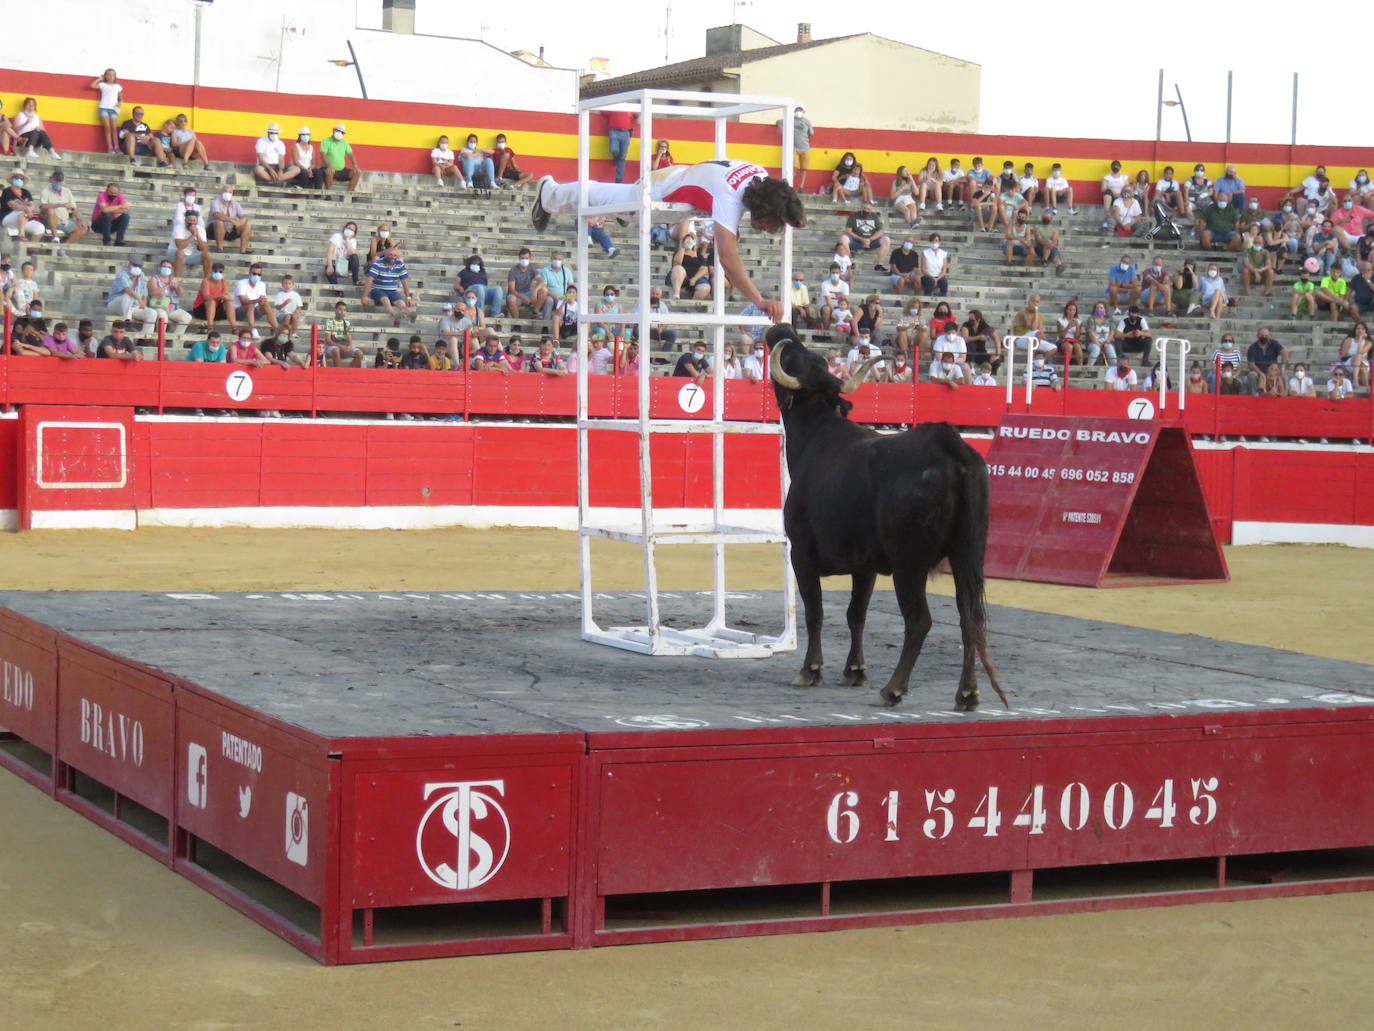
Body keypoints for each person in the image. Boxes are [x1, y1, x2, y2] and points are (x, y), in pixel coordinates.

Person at [363, 247, 417, 324]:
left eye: (395, 255)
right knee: (386, 300)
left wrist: (408, 297)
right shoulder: (378, 263)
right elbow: (370, 279)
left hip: (392, 291)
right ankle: (394, 314)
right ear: (385, 255)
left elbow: (404, 282)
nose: (393, 257)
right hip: (378, 289)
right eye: (390, 255)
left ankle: (409, 313)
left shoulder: (399, 264)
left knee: (401, 303)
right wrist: (365, 296)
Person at [105, 259, 158, 336]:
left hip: (133, 306)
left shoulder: (141, 276)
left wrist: (143, 304)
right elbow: (128, 290)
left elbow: (145, 293)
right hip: (116, 304)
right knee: (128, 296)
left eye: (139, 266)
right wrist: (139, 299)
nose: (137, 268)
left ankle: (144, 338)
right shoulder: (122, 275)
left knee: (152, 313)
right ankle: (128, 322)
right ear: (129, 265)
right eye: (135, 265)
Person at [36, 169, 87, 245]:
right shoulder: (45, 191)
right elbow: (42, 207)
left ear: (63, 182)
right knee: (51, 211)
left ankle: (62, 248)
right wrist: (61, 205)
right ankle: (55, 236)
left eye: (60, 181)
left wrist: (79, 220)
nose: (58, 183)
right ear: (51, 180)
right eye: (56, 181)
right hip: (50, 222)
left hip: (65, 221)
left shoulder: (67, 191)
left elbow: (74, 208)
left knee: (84, 228)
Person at [148, 259, 192, 343]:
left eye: (169, 267)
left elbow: (181, 294)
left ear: (171, 270)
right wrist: (166, 285)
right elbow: (153, 292)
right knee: (163, 316)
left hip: (172, 308)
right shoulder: (154, 279)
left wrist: (177, 287)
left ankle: (174, 339)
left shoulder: (173, 280)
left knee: (187, 317)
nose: (166, 268)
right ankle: (160, 340)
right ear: (160, 267)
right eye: (164, 266)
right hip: (159, 306)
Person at [845, 200, 892, 272]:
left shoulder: (874, 216)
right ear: (861, 208)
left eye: (868, 209)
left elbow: (881, 231)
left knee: (886, 239)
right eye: (864, 208)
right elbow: (849, 231)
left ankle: (879, 264)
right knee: (843, 239)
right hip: (857, 241)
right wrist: (861, 239)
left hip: (871, 242)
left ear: (871, 209)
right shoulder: (853, 216)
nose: (866, 210)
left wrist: (870, 239)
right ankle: (849, 263)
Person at [190, 262, 236, 334]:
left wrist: (227, 298)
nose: (218, 273)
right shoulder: (206, 281)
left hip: (215, 309)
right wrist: (220, 295)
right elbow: (206, 297)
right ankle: (210, 327)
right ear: (212, 271)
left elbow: (226, 295)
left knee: (228, 303)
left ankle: (234, 328)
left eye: (220, 272)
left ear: (223, 273)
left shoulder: (224, 282)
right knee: (211, 302)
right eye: (216, 271)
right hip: (201, 309)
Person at [234, 263, 278, 337]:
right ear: (249, 273)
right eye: (254, 273)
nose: (256, 276)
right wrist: (257, 300)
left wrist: (262, 300)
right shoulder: (242, 283)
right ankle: (252, 329)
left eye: (259, 274)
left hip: (254, 311)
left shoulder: (262, 284)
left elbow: (262, 299)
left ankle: (277, 329)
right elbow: (243, 301)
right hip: (239, 311)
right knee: (250, 305)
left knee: (266, 305)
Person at [168, 208, 210, 280]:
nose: (192, 223)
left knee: (208, 255)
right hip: (175, 253)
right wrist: (193, 236)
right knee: (180, 253)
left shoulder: (200, 229)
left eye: (194, 221)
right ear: (185, 220)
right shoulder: (179, 228)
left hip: (192, 254)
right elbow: (180, 246)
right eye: (190, 220)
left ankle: (207, 280)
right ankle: (177, 278)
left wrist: (197, 235)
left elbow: (203, 248)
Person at [456, 253, 503, 317]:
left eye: (478, 264)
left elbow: (486, 284)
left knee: (498, 288)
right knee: (479, 287)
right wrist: (459, 287)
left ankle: (495, 313)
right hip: (470, 290)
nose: (476, 265)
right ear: (470, 264)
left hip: (484, 290)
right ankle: (480, 314)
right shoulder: (464, 272)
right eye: (474, 263)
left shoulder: (482, 272)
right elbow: (455, 285)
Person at [2, 170, 43, 240]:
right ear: (12, 179)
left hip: (24, 217)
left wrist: (28, 210)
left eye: (21, 178)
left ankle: (30, 249)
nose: (19, 179)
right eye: (16, 177)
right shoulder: (7, 191)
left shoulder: (26, 192)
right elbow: (12, 205)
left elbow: (32, 205)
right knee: (23, 213)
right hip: (8, 217)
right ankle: (21, 234)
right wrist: (26, 209)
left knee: (40, 228)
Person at [1246, 328, 1288, 396]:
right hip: (1259, 372)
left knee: (1284, 376)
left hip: (1273, 371)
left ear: (1269, 336)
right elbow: (1251, 364)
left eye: (1266, 335)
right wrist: (1261, 373)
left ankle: (1284, 399)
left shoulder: (1274, 343)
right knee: (1252, 375)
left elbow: (1284, 353)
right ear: (1257, 335)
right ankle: (1254, 397)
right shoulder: (1252, 347)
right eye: (1262, 335)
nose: (1264, 337)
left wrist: (1282, 366)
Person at [90, 68, 123, 154]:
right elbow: (92, 86)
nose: (111, 76)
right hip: (103, 108)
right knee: (107, 128)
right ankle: (110, 147)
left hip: (113, 110)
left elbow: (121, 99)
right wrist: (99, 79)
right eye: (109, 75)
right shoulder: (102, 85)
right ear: (105, 76)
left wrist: (119, 103)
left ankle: (116, 147)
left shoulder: (117, 87)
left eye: (112, 75)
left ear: (115, 76)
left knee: (114, 129)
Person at [781, 105, 813, 191]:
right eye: (797, 109)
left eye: (800, 110)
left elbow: (811, 133)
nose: (799, 111)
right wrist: (780, 128)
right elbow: (779, 122)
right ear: (794, 111)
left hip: (805, 148)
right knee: (793, 168)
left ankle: (801, 187)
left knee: (804, 169)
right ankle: (789, 185)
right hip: (793, 148)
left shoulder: (807, 122)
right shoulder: (790, 119)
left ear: (804, 111)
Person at [320, 124, 360, 192]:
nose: (340, 133)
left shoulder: (344, 143)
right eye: (338, 131)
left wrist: (355, 166)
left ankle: (349, 194)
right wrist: (329, 166)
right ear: (333, 130)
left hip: (341, 170)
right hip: (328, 168)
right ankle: (328, 194)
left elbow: (351, 155)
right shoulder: (326, 141)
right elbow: (323, 155)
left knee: (357, 173)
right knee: (330, 171)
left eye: (342, 132)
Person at [324, 301, 363, 366]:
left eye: (344, 310)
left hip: (343, 347)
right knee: (336, 350)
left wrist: (349, 346)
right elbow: (328, 340)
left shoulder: (346, 323)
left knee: (359, 353)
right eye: (340, 309)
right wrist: (340, 346)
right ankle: (338, 373)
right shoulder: (330, 322)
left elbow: (349, 337)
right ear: (335, 310)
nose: (342, 312)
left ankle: (353, 373)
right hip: (331, 347)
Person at [504, 248, 540, 317]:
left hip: (528, 293)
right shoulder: (513, 270)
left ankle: (535, 313)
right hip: (515, 294)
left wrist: (535, 291)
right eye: (522, 258)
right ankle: (517, 324)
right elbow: (511, 289)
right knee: (511, 300)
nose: (524, 260)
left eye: (526, 258)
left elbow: (541, 281)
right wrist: (523, 297)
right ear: (519, 258)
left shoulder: (531, 268)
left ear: (530, 258)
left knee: (543, 291)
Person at [1336, 322, 1372, 388]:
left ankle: (1365, 387)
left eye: (1362, 329)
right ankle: (1358, 382)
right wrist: (1353, 357)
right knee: (1358, 357)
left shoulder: (1368, 342)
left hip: (1363, 363)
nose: (1360, 330)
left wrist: (1360, 339)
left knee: (1362, 367)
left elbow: (1360, 352)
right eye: (1358, 329)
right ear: (1355, 330)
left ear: (1365, 330)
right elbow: (1342, 355)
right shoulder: (1349, 340)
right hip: (1349, 363)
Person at [325, 221, 360, 287]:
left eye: (352, 230)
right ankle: (338, 291)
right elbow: (330, 251)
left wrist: (348, 241)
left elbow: (351, 253)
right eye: (348, 228)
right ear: (344, 228)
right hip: (335, 263)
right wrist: (330, 266)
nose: (349, 230)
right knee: (329, 272)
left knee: (355, 256)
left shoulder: (353, 241)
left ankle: (355, 280)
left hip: (346, 264)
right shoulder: (337, 236)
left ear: (354, 233)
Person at [604, 109, 634, 183]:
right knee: (614, 150)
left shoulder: (630, 109)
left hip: (626, 132)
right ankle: (616, 157)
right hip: (614, 131)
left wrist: (639, 117)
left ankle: (619, 179)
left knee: (623, 157)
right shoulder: (613, 108)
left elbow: (637, 114)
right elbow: (600, 111)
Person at [272, 274, 303, 338]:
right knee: (288, 316)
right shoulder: (280, 294)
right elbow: (277, 307)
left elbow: (299, 306)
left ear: (293, 285)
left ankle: (294, 333)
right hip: (282, 315)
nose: (287, 286)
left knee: (295, 316)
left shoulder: (296, 295)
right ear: (282, 285)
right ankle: (285, 333)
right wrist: (285, 303)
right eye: (285, 283)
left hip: (292, 314)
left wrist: (296, 312)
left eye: (289, 283)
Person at [1100, 160, 1128, 227]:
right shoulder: (1107, 177)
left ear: (1120, 167)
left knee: (1127, 193)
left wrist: (1120, 193)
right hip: (1110, 196)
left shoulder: (1124, 177)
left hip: (1121, 196)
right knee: (1107, 192)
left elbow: (1127, 188)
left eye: (1117, 165)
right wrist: (1112, 190)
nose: (1115, 167)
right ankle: (1107, 216)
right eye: (1114, 165)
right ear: (1111, 167)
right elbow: (1103, 189)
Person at [1056, 300, 1084, 365]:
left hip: (1074, 340)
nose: (1071, 312)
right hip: (1063, 341)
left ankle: (1081, 368)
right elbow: (1061, 336)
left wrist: (1077, 327)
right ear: (1066, 310)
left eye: (1073, 310)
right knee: (1069, 347)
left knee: (1077, 347)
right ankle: (1066, 367)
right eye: (1070, 310)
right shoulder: (1060, 320)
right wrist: (1068, 327)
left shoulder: (1079, 321)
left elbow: (1077, 337)